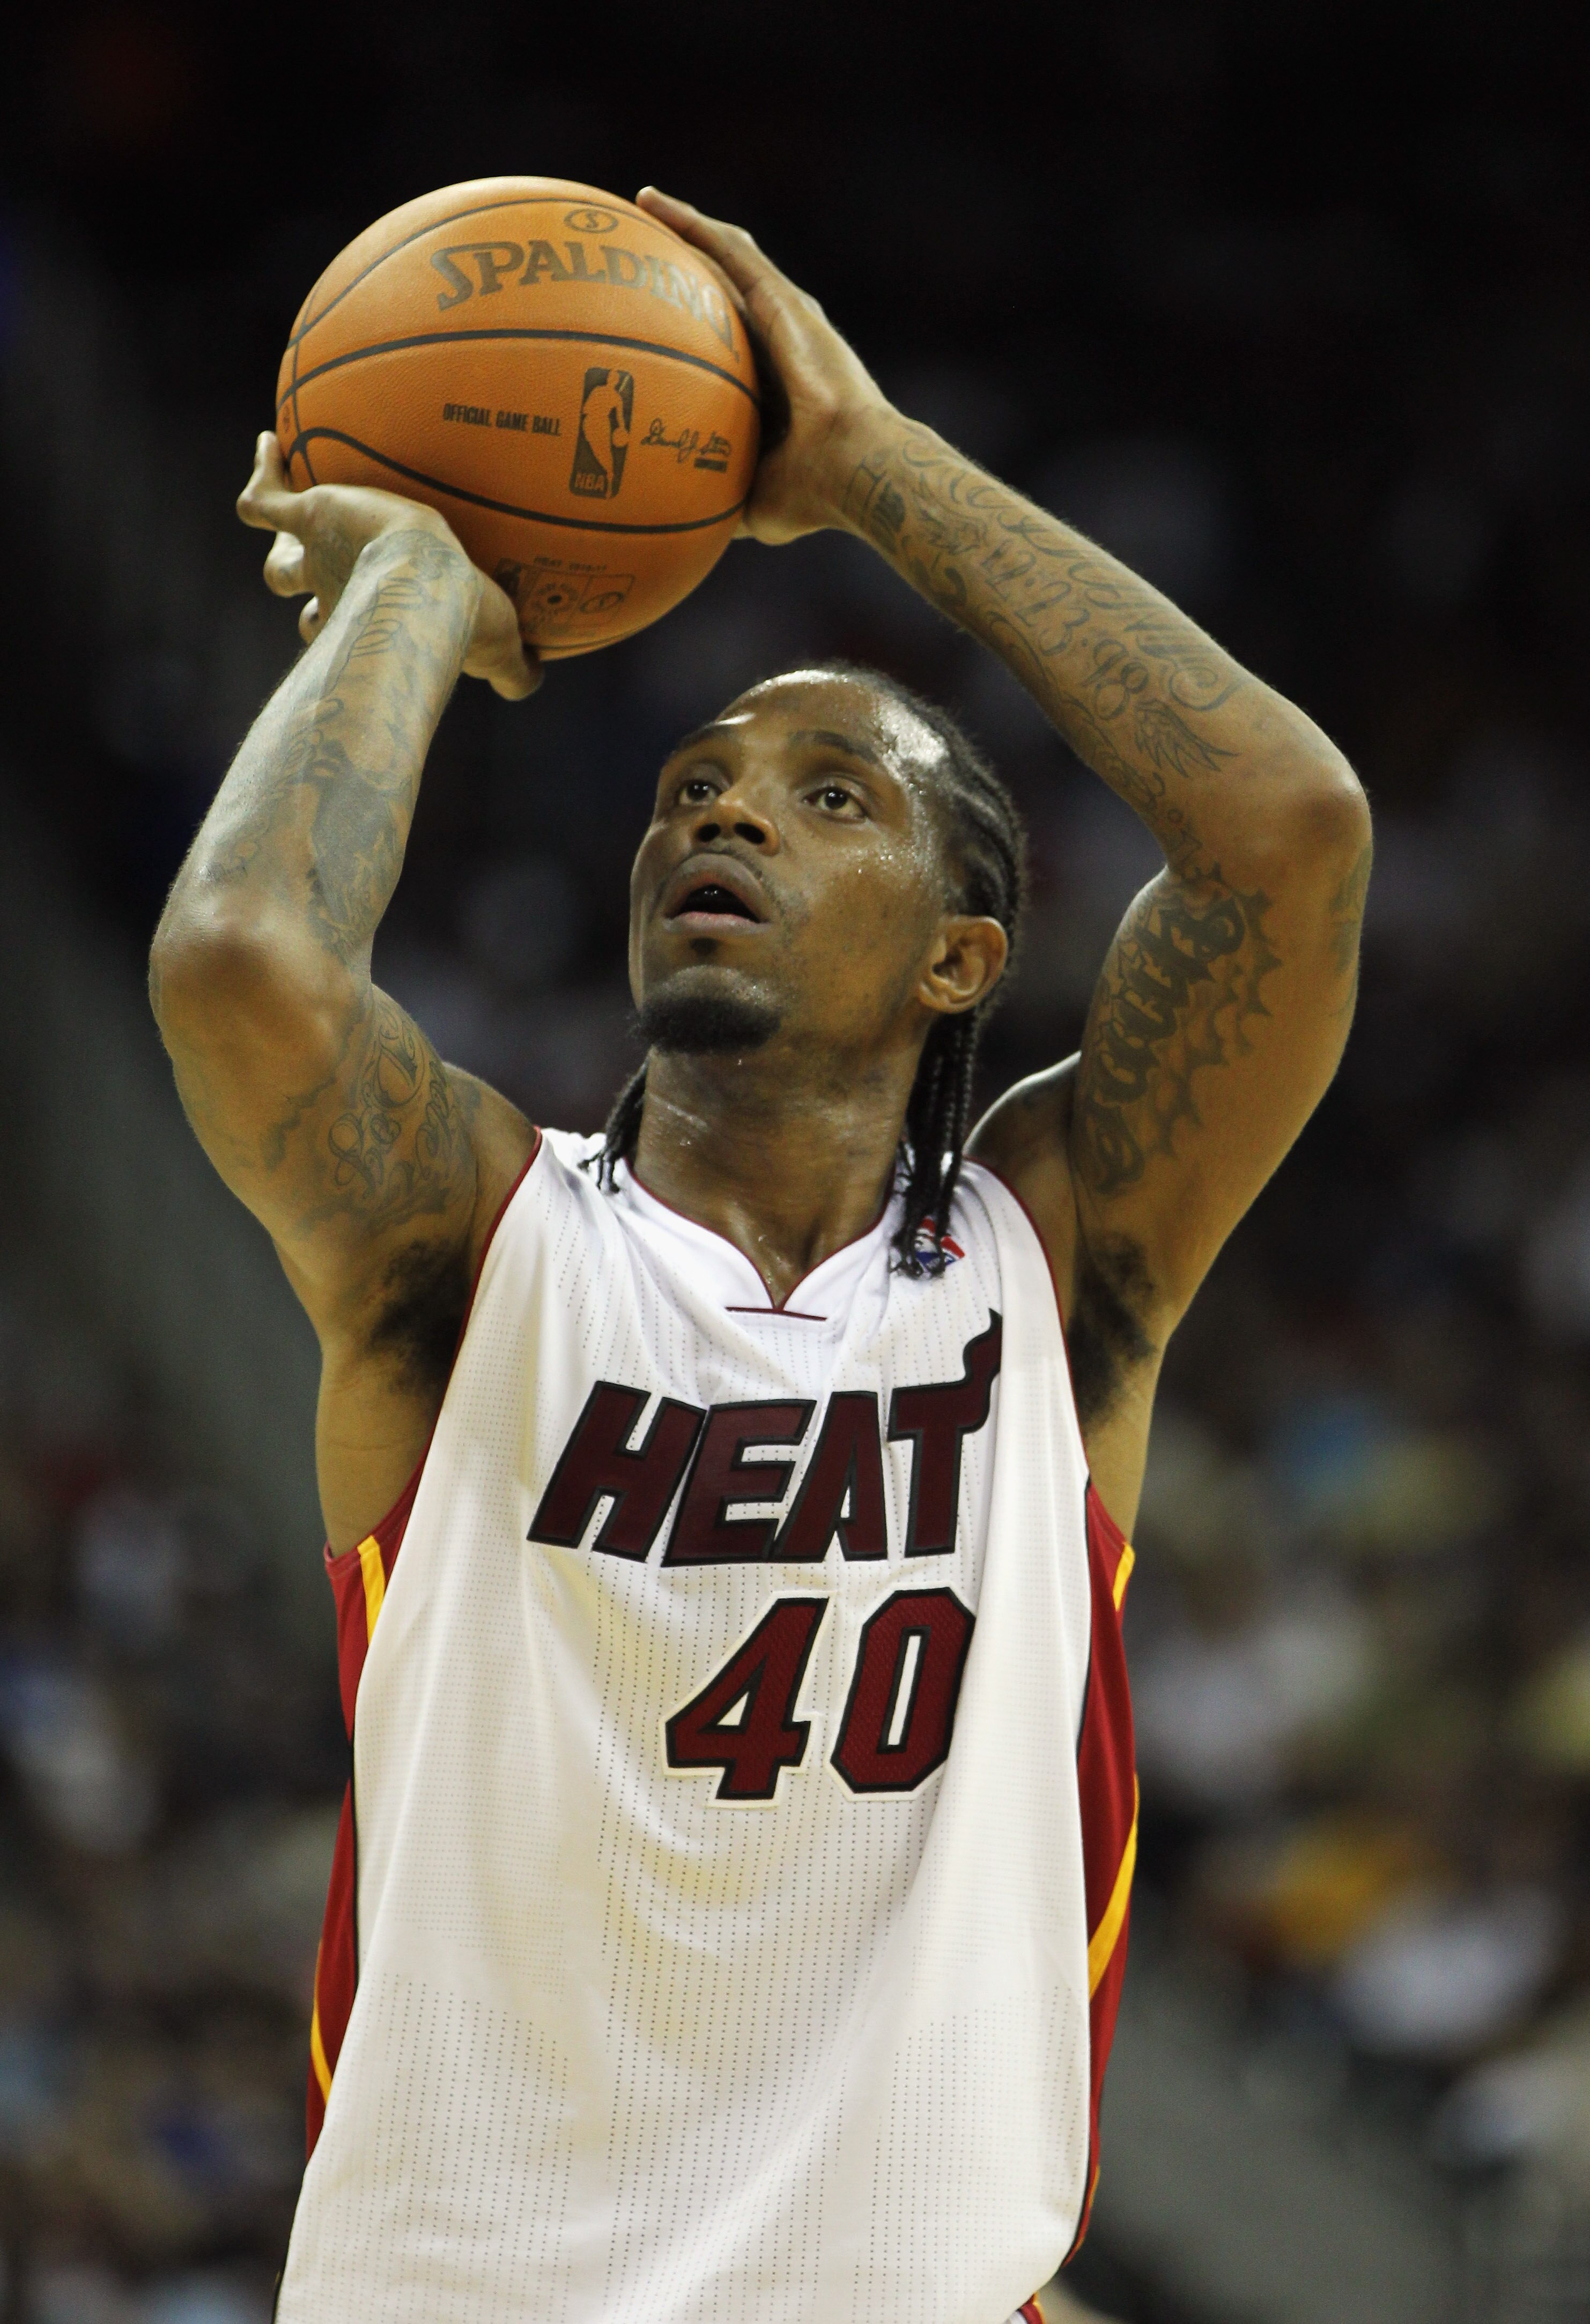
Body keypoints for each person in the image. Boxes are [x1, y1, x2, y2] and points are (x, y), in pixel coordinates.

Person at [149, 188, 1371, 2324]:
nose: (722, 811)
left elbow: (1289, 838)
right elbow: (245, 957)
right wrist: (417, 582)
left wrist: (873, 467)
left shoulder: (1052, 1264)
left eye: (832, 797)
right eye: (695, 785)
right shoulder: (478, 1246)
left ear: (961, 957)